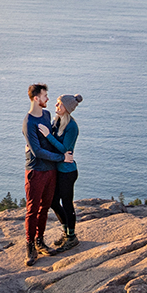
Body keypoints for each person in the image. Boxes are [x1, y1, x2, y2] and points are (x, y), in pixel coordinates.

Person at [23, 83, 64, 264]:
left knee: (45, 207)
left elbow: (51, 137)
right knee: (32, 210)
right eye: (45, 96)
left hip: (50, 170)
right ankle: (30, 246)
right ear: (36, 98)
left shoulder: (47, 115)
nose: (48, 99)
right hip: (36, 170)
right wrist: (60, 157)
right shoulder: (28, 122)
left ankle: (40, 241)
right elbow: (37, 151)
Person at [45, 93, 81, 250]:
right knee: (53, 201)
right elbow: (60, 151)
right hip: (59, 169)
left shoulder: (72, 127)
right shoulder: (58, 121)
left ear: (66, 107)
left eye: (59, 104)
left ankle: (72, 237)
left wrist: (47, 135)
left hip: (67, 172)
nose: (56, 106)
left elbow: (64, 149)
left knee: (67, 204)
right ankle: (67, 233)